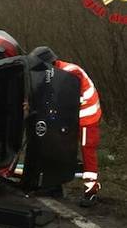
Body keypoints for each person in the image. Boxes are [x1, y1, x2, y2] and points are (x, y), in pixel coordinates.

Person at [31, 46, 102, 207]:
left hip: (86, 116)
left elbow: (62, 97)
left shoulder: (70, 72)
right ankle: (55, 185)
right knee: (58, 146)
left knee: (87, 150)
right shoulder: (54, 73)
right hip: (70, 115)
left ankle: (91, 191)